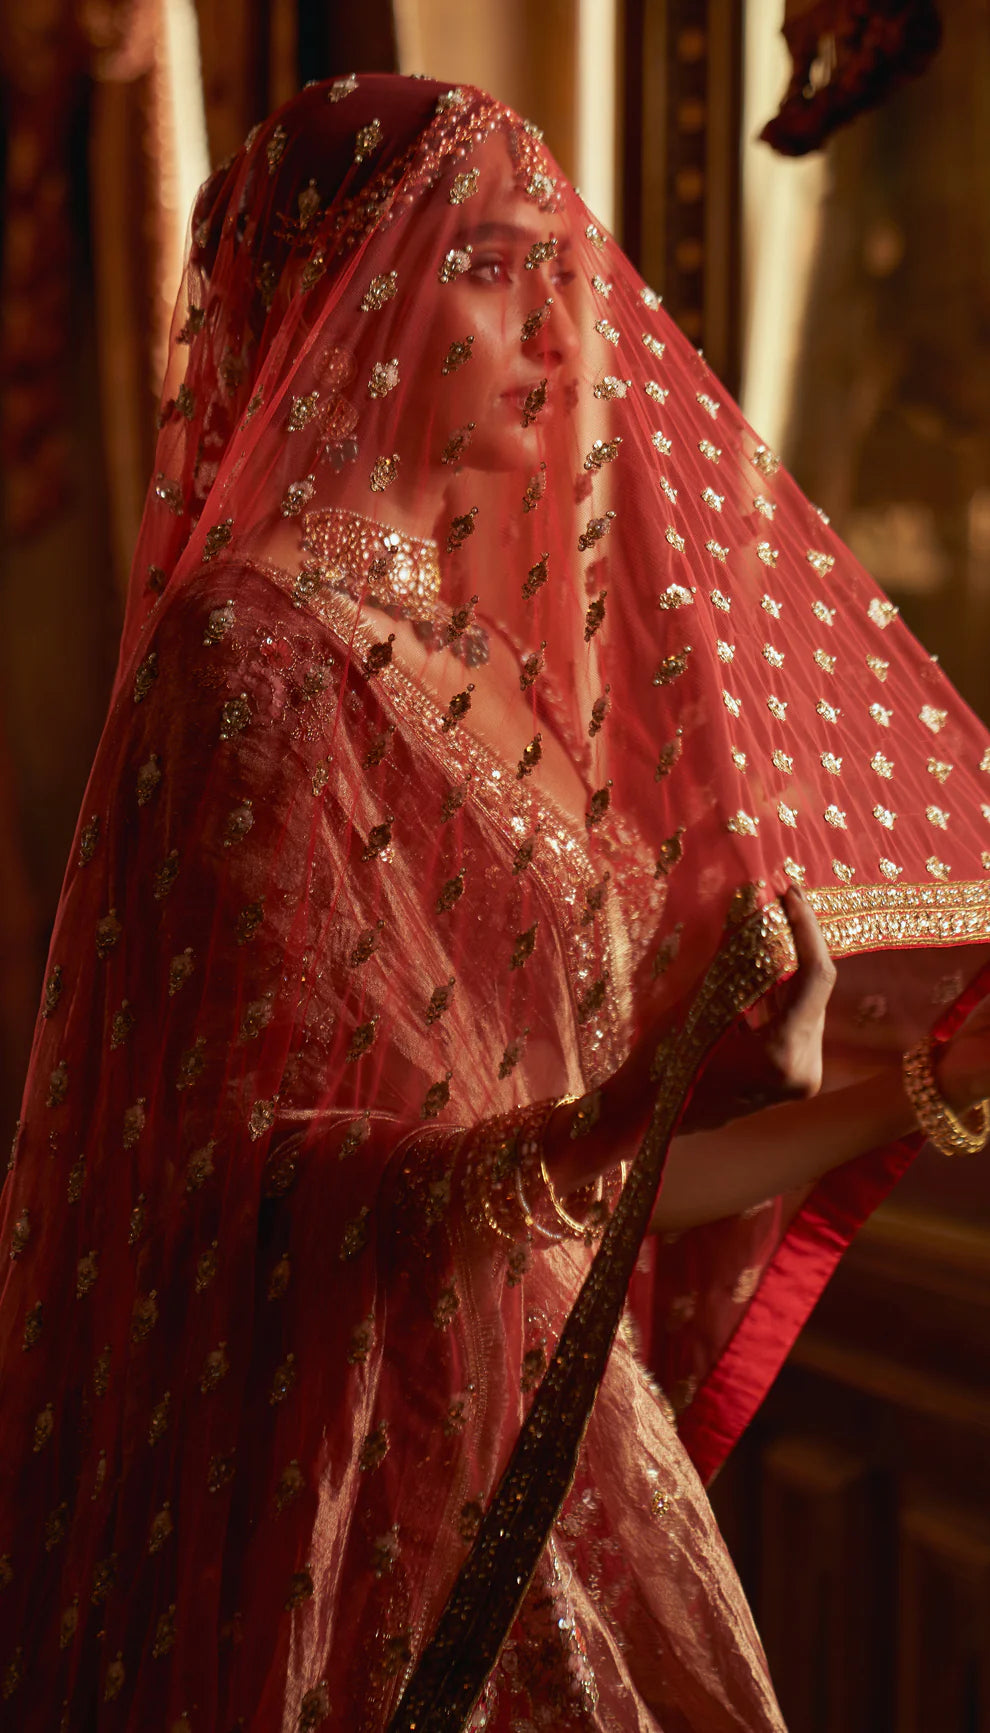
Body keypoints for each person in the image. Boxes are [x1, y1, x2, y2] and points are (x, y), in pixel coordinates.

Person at [2, 73, 990, 1733]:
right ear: (347, 286)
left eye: (562, 267)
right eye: (492, 262)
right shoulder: (246, 661)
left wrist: (924, 1091)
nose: (558, 319)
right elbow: (243, 1201)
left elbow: (554, 1194)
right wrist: (618, 1108)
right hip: (360, 1517)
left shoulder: (492, 672)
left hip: (553, 1454)